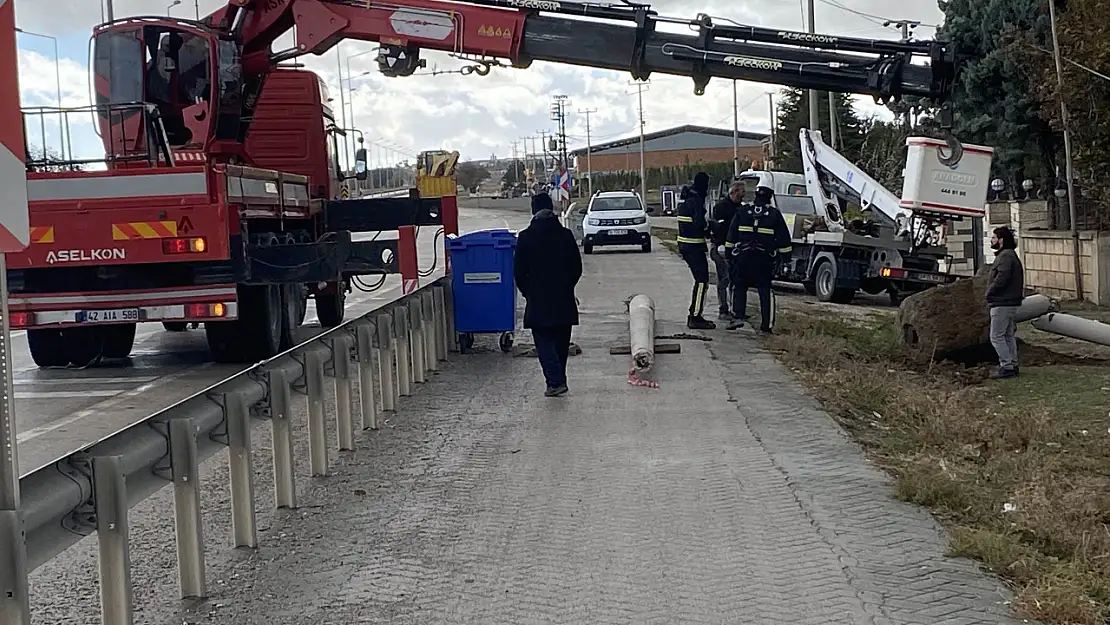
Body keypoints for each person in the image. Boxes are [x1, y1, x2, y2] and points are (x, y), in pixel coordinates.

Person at [514, 192, 583, 397]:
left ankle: (555, 382)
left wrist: (529, 292)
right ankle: (558, 379)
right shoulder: (565, 235)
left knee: (544, 343)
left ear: (533, 211)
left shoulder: (526, 237)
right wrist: (567, 286)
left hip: (538, 299)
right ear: (551, 209)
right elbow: (576, 267)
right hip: (563, 298)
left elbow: (518, 271)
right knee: (561, 342)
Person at [725, 185, 792, 334]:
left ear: (755, 196)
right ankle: (766, 325)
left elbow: (731, 235)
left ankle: (738, 316)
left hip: (743, 258)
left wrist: (729, 254)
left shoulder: (742, 211)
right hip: (764, 260)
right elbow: (784, 240)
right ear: (769, 198)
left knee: (739, 286)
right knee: (765, 290)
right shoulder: (774, 214)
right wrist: (785, 260)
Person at [677, 172, 716, 330]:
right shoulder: (696, 200)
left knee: (701, 281)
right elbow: (700, 223)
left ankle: (695, 313)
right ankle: (695, 316)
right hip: (694, 246)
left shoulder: (687, 197)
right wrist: (712, 228)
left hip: (686, 245)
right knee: (702, 281)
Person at [986, 226, 1024, 379]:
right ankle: (1012, 365)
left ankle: (1006, 367)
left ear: (1001, 240)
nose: (992, 240)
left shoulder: (1005, 257)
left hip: (1002, 302)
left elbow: (1002, 277)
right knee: (1008, 335)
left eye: (994, 238)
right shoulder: (1009, 255)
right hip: (1010, 302)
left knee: (996, 336)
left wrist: (990, 292)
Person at [710, 180, 745, 321]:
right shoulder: (721, 207)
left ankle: (735, 309)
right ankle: (723, 309)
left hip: (735, 248)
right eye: (742, 193)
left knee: (735, 279)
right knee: (724, 278)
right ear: (734, 192)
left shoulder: (741, 208)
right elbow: (718, 228)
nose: (743, 196)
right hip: (720, 247)